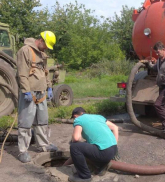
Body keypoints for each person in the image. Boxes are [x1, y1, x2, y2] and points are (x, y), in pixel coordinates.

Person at [16, 31, 58, 163]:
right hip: (30, 92)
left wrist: (49, 87)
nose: (46, 48)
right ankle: (23, 151)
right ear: (41, 40)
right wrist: (26, 90)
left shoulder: (42, 54)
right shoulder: (25, 50)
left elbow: (45, 72)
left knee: (42, 120)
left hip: (41, 92)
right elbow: (22, 72)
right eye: (46, 45)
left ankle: (43, 145)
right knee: (26, 122)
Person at [64, 107, 118, 182]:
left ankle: (84, 176)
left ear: (75, 116)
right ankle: (100, 165)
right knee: (86, 144)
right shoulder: (98, 117)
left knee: (74, 147)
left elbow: (76, 138)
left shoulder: (78, 119)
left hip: (104, 153)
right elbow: (115, 127)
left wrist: (73, 139)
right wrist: (115, 144)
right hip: (113, 150)